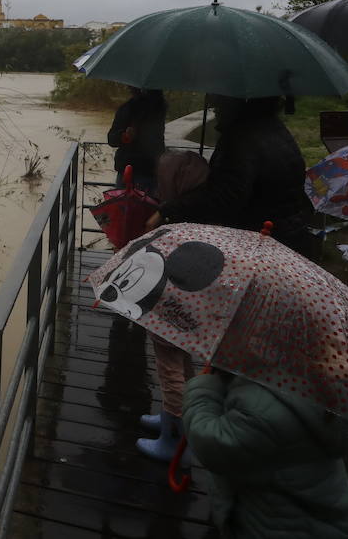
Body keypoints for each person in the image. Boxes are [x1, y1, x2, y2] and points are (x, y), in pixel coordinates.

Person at [182, 370, 348, 539]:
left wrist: (203, 389)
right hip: (325, 511)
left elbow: (211, 444)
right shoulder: (321, 380)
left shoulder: (261, 409)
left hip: (276, 526)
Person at [147, 95, 317, 259]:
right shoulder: (273, 128)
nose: (215, 108)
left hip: (261, 246)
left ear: (235, 102)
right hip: (289, 236)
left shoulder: (242, 139)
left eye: (219, 102)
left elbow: (224, 197)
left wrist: (168, 210)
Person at [136, 149, 209, 463]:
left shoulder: (176, 223)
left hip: (170, 308)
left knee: (169, 370)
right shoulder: (203, 217)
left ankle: (173, 438)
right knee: (184, 365)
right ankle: (177, 416)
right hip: (191, 307)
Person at [106, 87, 167, 193]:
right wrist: (124, 136)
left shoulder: (155, 109)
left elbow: (112, 139)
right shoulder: (127, 108)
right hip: (133, 169)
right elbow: (112, 138)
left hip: (143, 170)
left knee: (124, 207)